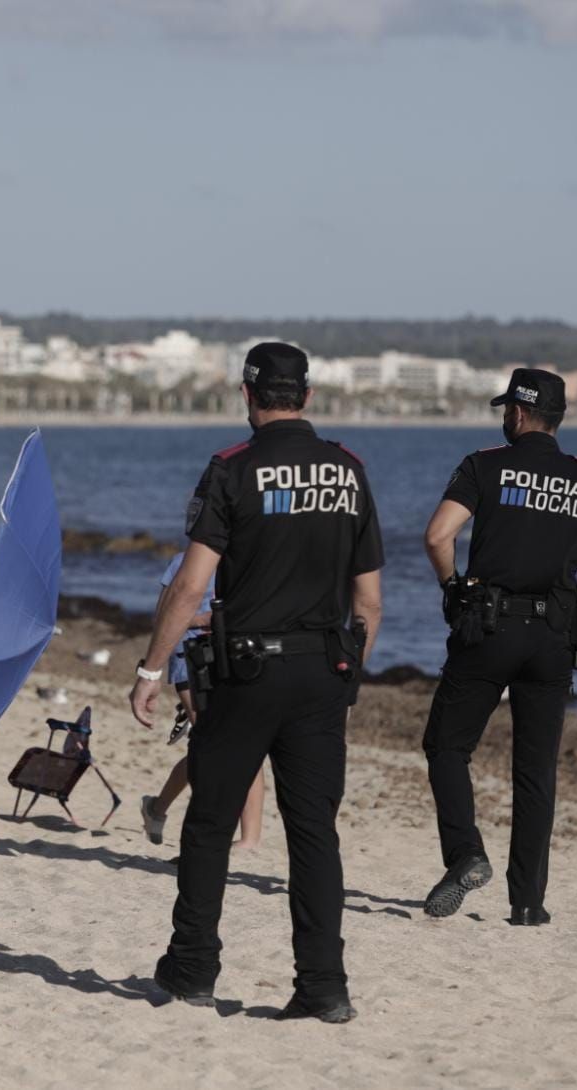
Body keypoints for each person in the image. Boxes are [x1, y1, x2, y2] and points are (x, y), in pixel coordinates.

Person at [129, 342, 383, 1024]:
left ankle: (192, 970)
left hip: (245, 671)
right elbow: (370, 605)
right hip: (324, 669)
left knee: (209, 822)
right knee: (313, 835)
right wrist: (347, 684)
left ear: (247, 394)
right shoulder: (349, 471)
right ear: (306, 395)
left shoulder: (232, 470)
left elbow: (189, 585)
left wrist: (152, 669)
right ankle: (324, 986)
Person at [419, 368, 577, 926]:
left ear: (517, 414)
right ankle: (527, 903)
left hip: (488, 626)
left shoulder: (484, 465)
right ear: (557, 418)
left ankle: (467, 852)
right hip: (553, 637)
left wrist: (452, 587)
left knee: (447, 746)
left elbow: (438, 536)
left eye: (505, 410)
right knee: (536, 771)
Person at [139, 549, 266, 852]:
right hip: (189, 660)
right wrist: (203, 619)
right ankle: (202, 834)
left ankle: (247, 838)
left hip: (233, 658)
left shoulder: (248, 556)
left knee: (238, 743)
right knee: (216, 744)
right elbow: (163, 619)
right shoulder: (183, 562)